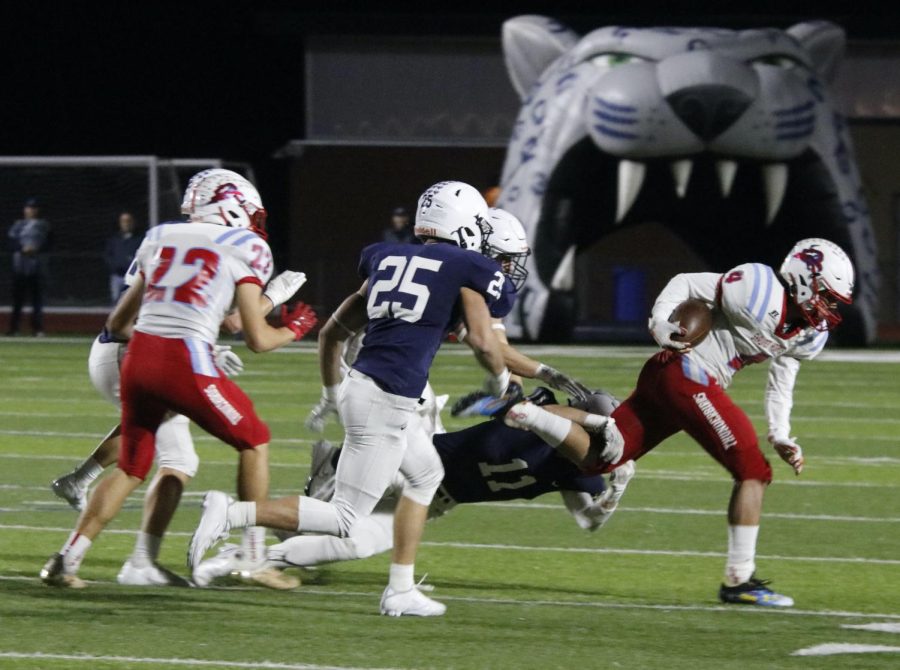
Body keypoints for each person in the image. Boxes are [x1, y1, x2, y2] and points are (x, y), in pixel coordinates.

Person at [190, 180, 511, 616]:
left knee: (425, 476)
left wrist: (329, 394)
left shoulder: (385, 256)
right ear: (467, 225)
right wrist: (500, 381)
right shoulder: (466, 265)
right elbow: (483, 340)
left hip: (364, 387)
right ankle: (231, 513)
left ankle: (400, 589)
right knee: (344, 518)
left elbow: (332, 333)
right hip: (388, 398)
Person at [502, 238, 855, 608]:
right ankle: (739, 580)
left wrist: (780, 433)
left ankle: (528, 413)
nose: (829, 309)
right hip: (687, 372)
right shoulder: (758, 288)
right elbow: (687, 282)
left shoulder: (805, 332)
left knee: (603, 458)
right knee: (752, 469)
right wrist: (660, 321)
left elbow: (783, 377)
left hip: (677, 378)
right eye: (827, 297)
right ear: (804, 279)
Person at [40, 168, 315, 588]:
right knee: (254, 440)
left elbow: (118, 321)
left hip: (137, 359)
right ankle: (255, 556)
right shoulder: (246, 245)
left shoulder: (159, 236)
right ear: (232, 206)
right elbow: (255, 337)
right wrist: (292, 329)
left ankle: (66, 561)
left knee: (133, 467)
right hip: (184, 360)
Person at [194, 388, 635, 585]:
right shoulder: (539, 411)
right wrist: (513, 396)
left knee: (350, 543)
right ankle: (319, 473)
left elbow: (588, 521)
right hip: (411, 459)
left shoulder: (577, 470)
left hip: (433, 500)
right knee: (334, 512)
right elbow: (493, 398)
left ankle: (248, 555)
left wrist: (613, 494)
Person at [7, 198, 52, 336]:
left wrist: (35, 249)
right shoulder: (18, 225)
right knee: (17, 300)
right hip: (19, 267)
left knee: (37, 301)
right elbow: (10, 243)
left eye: (33, 208)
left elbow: (49, 243)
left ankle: (37, 329)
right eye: (28, 208)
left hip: (37, 267)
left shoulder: (44, 225)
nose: (31, 210)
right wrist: (22, 249)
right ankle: (14, 328)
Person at [103, 212, 142, 303]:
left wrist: (133, 268)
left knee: (131, 302)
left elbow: (142, 257)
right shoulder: (114, 240)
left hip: (133, 278)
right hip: (117, 277)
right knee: (116, 302)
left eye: (129, 221)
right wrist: (114, 266)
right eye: (124, 221)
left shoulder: (139, 240)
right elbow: (107, 255)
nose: (126, 224)